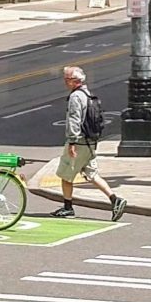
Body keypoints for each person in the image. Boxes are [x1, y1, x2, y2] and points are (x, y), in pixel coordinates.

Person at [51, 66, 127, 221]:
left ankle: (68, 207)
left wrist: (72, 141)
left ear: (74, 81)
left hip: (79, 143)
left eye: (67, 79)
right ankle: (114, 199)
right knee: (92, 174)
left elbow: (74, 119)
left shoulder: (75, 97)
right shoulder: (88, 95)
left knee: (66, 175)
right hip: (90, 142)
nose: (65, 82)